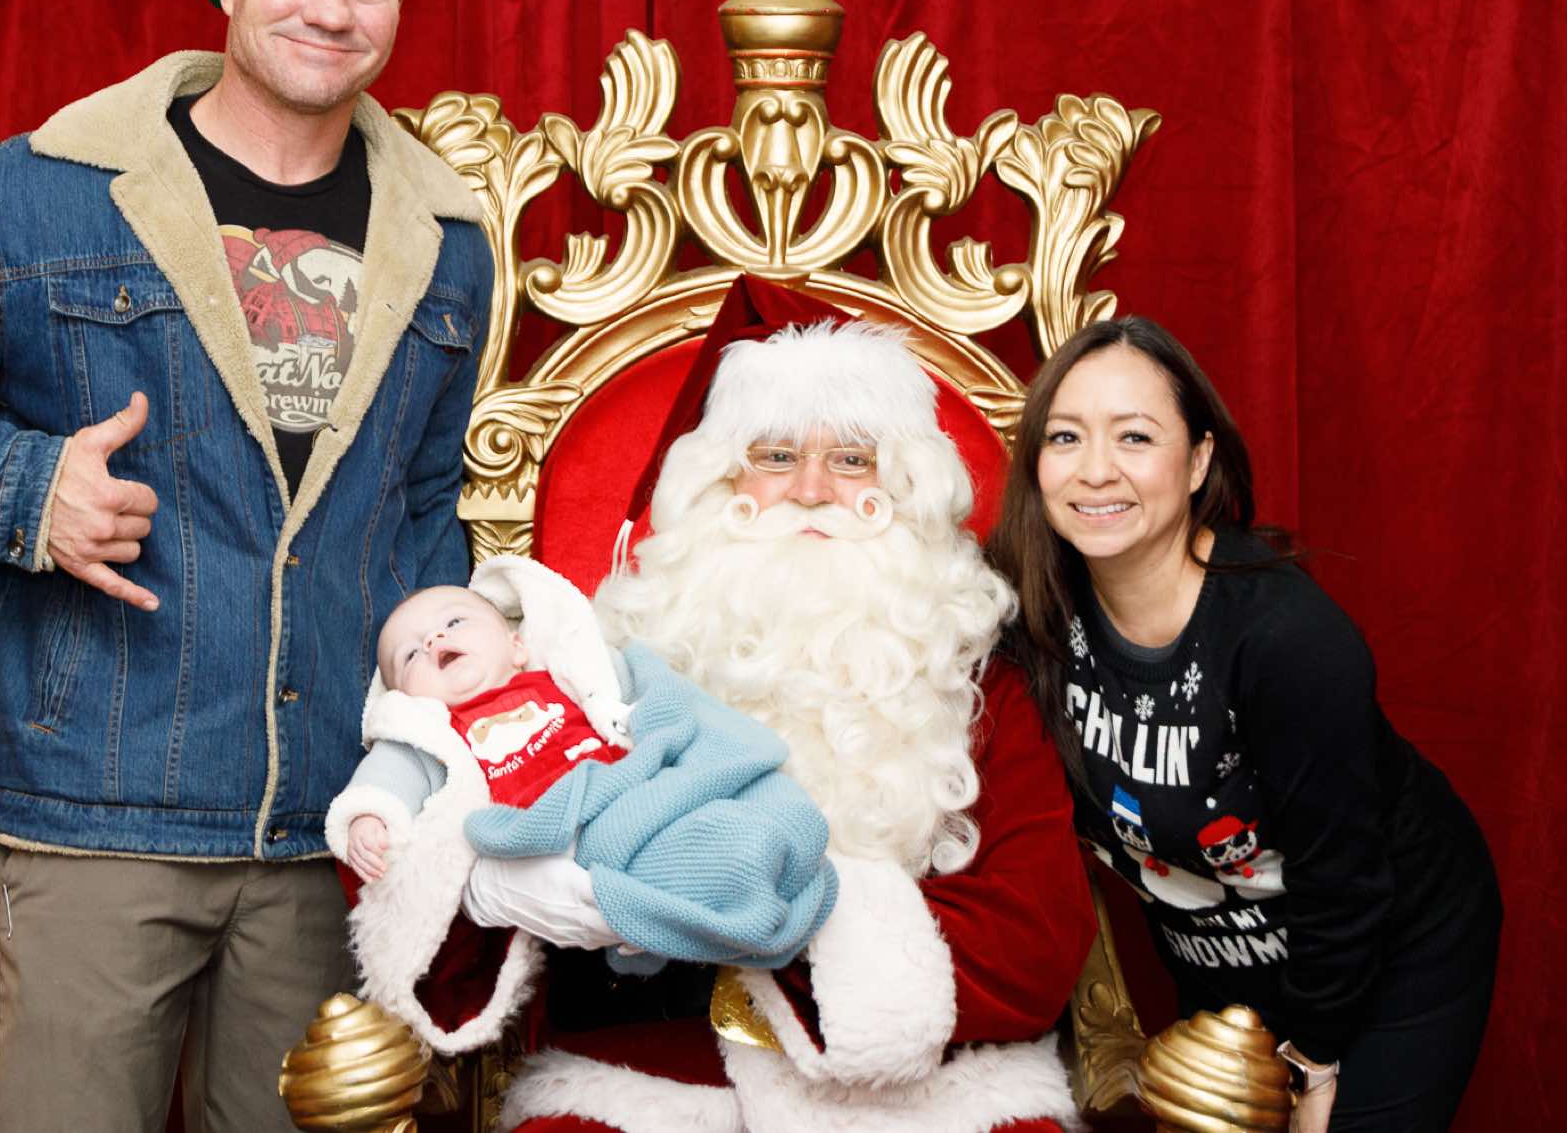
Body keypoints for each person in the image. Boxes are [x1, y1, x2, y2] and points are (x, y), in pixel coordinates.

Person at [0, 0, 491, 1133]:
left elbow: (420, 508)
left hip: (335, 826)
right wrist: (20, 484)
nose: (329, 9)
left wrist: (439, 750)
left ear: (400, 6)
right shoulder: (43, 193)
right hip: (101, 805)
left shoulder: (447, 240)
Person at [340, 280, 1099, 1132]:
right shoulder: (615, 663)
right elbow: (418, 771)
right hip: (657, 1071)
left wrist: (783, 916)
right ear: (717, 480)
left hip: (928, 1089)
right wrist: (489, 888)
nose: (811, 488)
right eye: (774, 455)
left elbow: (1038, 939)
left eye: (852, 459)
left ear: (904, 484)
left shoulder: (976, 677)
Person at [987, 316, 1503, 1133]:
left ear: (1198, 460)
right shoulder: (1028, 611)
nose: (1095, 469)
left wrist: (1313, 1059)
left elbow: (1345, 881)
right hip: (1222, 957)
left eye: (1134, 436)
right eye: (1065, 436)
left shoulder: (1285, 639)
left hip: (1389, 944)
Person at [327, 557, 836, 972]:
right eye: (410, 656)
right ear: (405, 699)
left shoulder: (567, 675)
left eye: (454, 623)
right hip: (566, 836)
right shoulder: (435, 735)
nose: (433, 642)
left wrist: (648, 725)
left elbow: (642, 696)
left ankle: (758, 862)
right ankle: (711, 901)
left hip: (629, 793)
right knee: (710, 862)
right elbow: (388, 776)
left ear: (517, 645)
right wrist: (369, 816)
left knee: (747, 828)